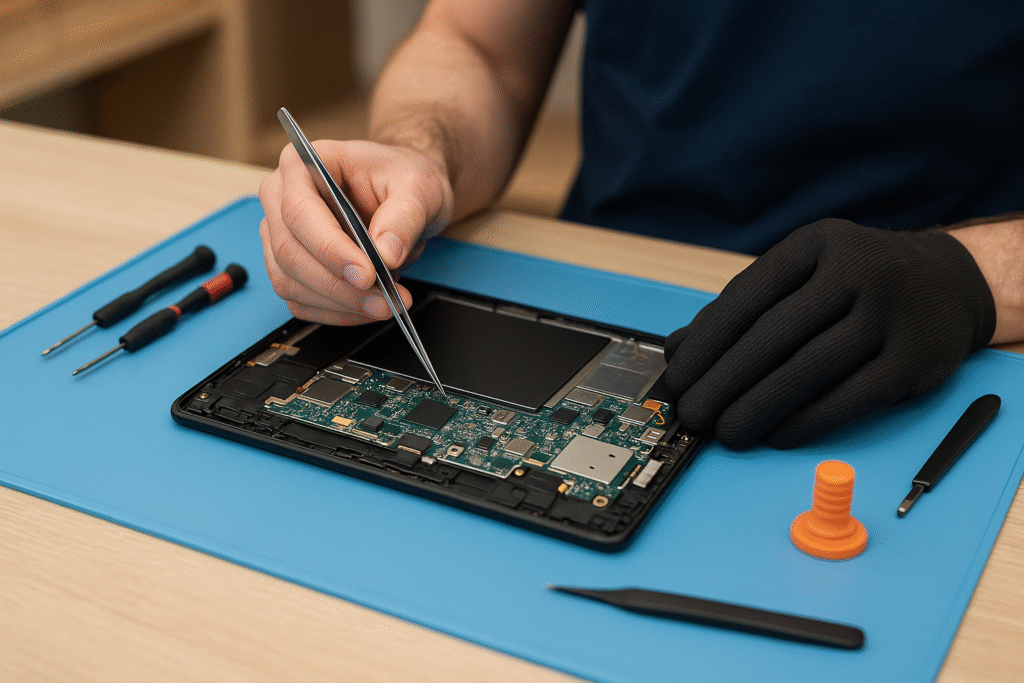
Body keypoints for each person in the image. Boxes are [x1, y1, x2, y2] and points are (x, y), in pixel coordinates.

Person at [258, 0, 1024, 449]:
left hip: (939, 335)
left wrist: (969, 279)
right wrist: (416, 153)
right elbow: (478, 46)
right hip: (608, 276)